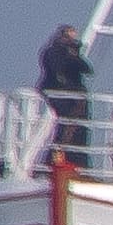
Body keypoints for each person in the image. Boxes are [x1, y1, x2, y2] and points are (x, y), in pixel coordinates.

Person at [36, 26, 92, 167]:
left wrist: (75, 53)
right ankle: (54, 160)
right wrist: (71, 55)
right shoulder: (53, 52)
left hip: (73, 97)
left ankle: (73, 160)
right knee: (65, 127)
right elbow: (58, 70)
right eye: (69, 37)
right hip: (59, 94)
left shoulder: (70, 53)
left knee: (75, 129)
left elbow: (87, 69)